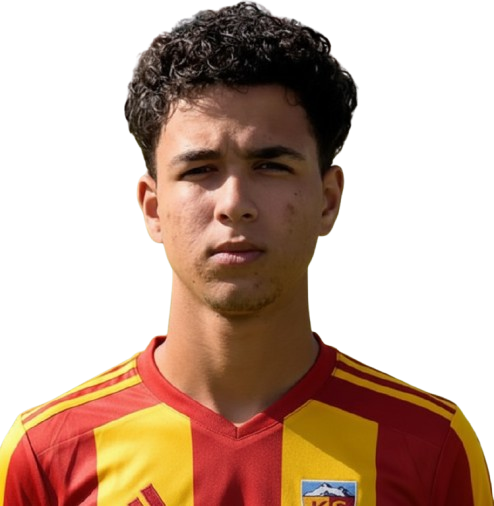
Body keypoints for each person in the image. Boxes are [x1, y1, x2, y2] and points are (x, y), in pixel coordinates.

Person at [1, 1, 491, 504]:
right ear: (152, 207)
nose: (234, 204)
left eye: (271, 166)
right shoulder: (48, 454)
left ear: (329, 201)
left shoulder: (430, 447)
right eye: (200, 170)